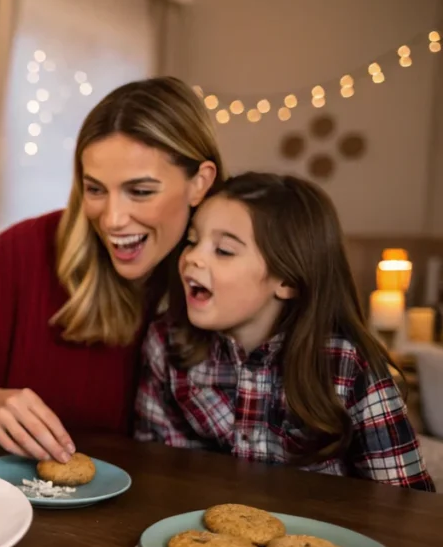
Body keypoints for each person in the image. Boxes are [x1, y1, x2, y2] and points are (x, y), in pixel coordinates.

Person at [0, 77, 223, 462]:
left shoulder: (249, 273)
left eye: (141, 191)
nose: (112, 219)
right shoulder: (21, 253)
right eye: (95, 189)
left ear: (200, 183)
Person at [135, 172, 435, 491]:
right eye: (193, 241)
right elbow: (154, 471)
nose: (193, 257)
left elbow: (406, 505)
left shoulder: (349, 366)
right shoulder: (165, 343)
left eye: (223, 250)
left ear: (288, 281)